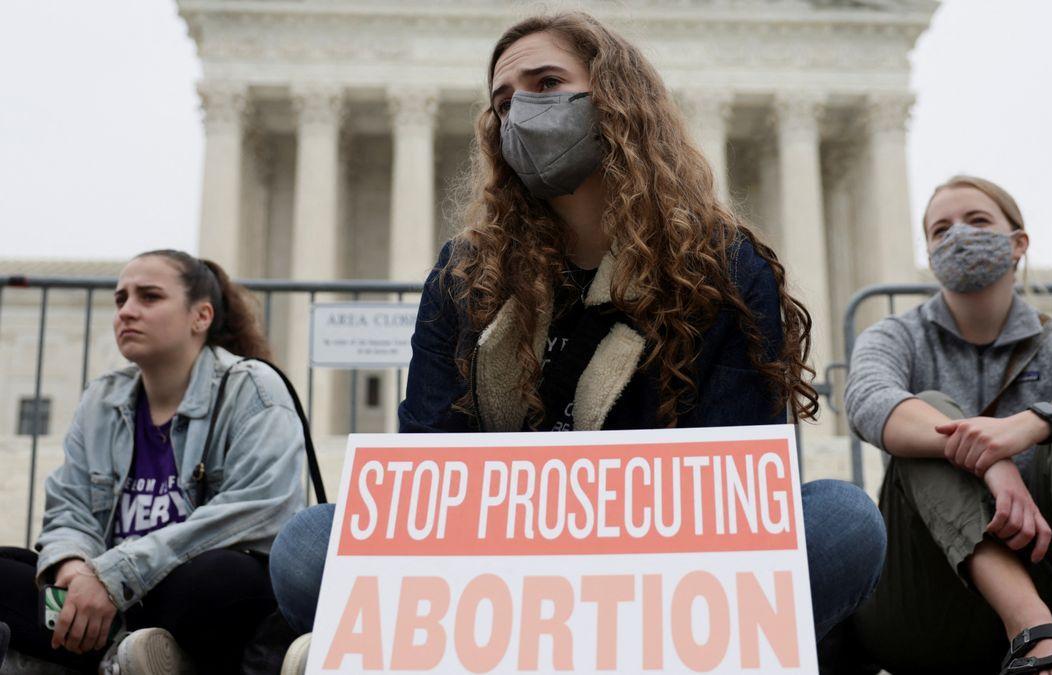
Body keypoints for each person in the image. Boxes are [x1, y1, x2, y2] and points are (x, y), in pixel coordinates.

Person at [269, 10, 886, 671]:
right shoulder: (465, 275)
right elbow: (429, 457)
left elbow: (739, 476)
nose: (522, 112)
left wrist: (604, 531)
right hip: (496, 566)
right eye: (504, 102)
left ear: (613, 96)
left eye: (546, 83)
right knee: (307, 543)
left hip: (662, 567)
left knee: (844, 520)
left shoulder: (722, 267)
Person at [844, 175, 1052, 675]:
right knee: (929, 415)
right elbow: (869, 401)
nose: (958, 235)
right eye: (941, 230)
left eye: (977, 221)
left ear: (1018, 243)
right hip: (927, 607)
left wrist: (1034, 424)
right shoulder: (895, 335)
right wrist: (991, 457)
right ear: (931, 255)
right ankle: (1031, 632)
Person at [0, 250, 308, 673]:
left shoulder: (252, 388)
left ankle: (131, 652)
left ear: (200, 316)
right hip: (109, 598)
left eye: (148, 297)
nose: (127, 311)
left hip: (184, 594)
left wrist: (114, 575)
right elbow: (69, 507)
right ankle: (130, 654)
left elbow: (258, 508)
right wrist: (73, 566)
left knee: (218, 578)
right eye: (120, 299)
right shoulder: (102, 398)